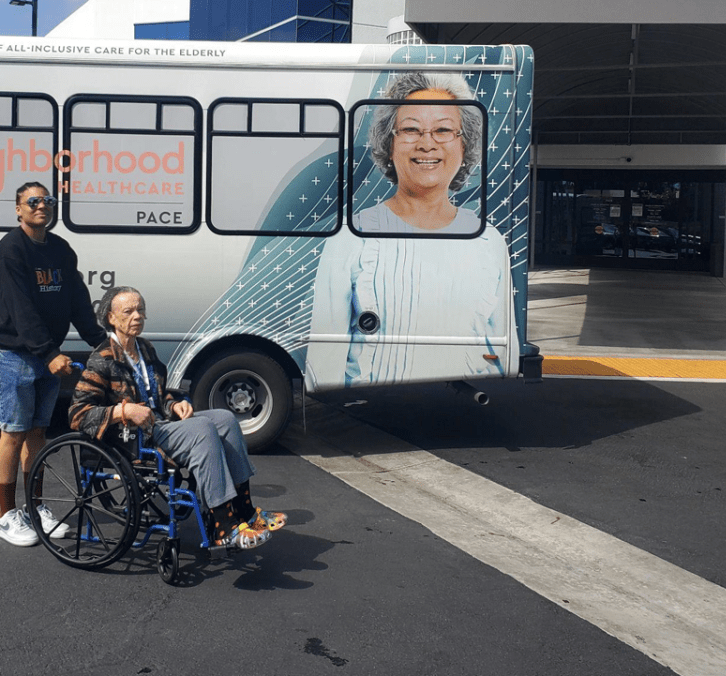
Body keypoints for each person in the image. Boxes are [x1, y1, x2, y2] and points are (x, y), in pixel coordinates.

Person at [307, 72, 508, 388]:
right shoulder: (352, 235)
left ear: (463, 144)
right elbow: (326, 351)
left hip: (465, 407)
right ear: (389, 144)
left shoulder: (488, 240)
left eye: (443, 130)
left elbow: (500, 347)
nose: (427, 144)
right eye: (411, 129)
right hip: (372, 412)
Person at [69, 287, 286, 550]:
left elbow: (158, 397)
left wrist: (174, 406)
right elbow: (78, 414)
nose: (137, 315)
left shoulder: (145, 348)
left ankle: (246, 511)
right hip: (136, 437)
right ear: (111, 318)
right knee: (203, 428)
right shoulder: (101, 359)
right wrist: (123, 411)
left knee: (226, 419)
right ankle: (223, 526)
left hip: (161, 424)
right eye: (128, 311)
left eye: (140, 309)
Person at [0, 181, 107, 547]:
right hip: (14, 356)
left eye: (47, 200)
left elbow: (77, 301)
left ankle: (35, 508)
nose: (42, 206)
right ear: (18, 209)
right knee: (13, 432)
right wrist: (50, 353)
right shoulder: (9, 251)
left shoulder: (61, 250)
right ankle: (5, 515)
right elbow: (21, 310)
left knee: (37, 434)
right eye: (33, 201)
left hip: (46, 355)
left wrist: (101, 342)